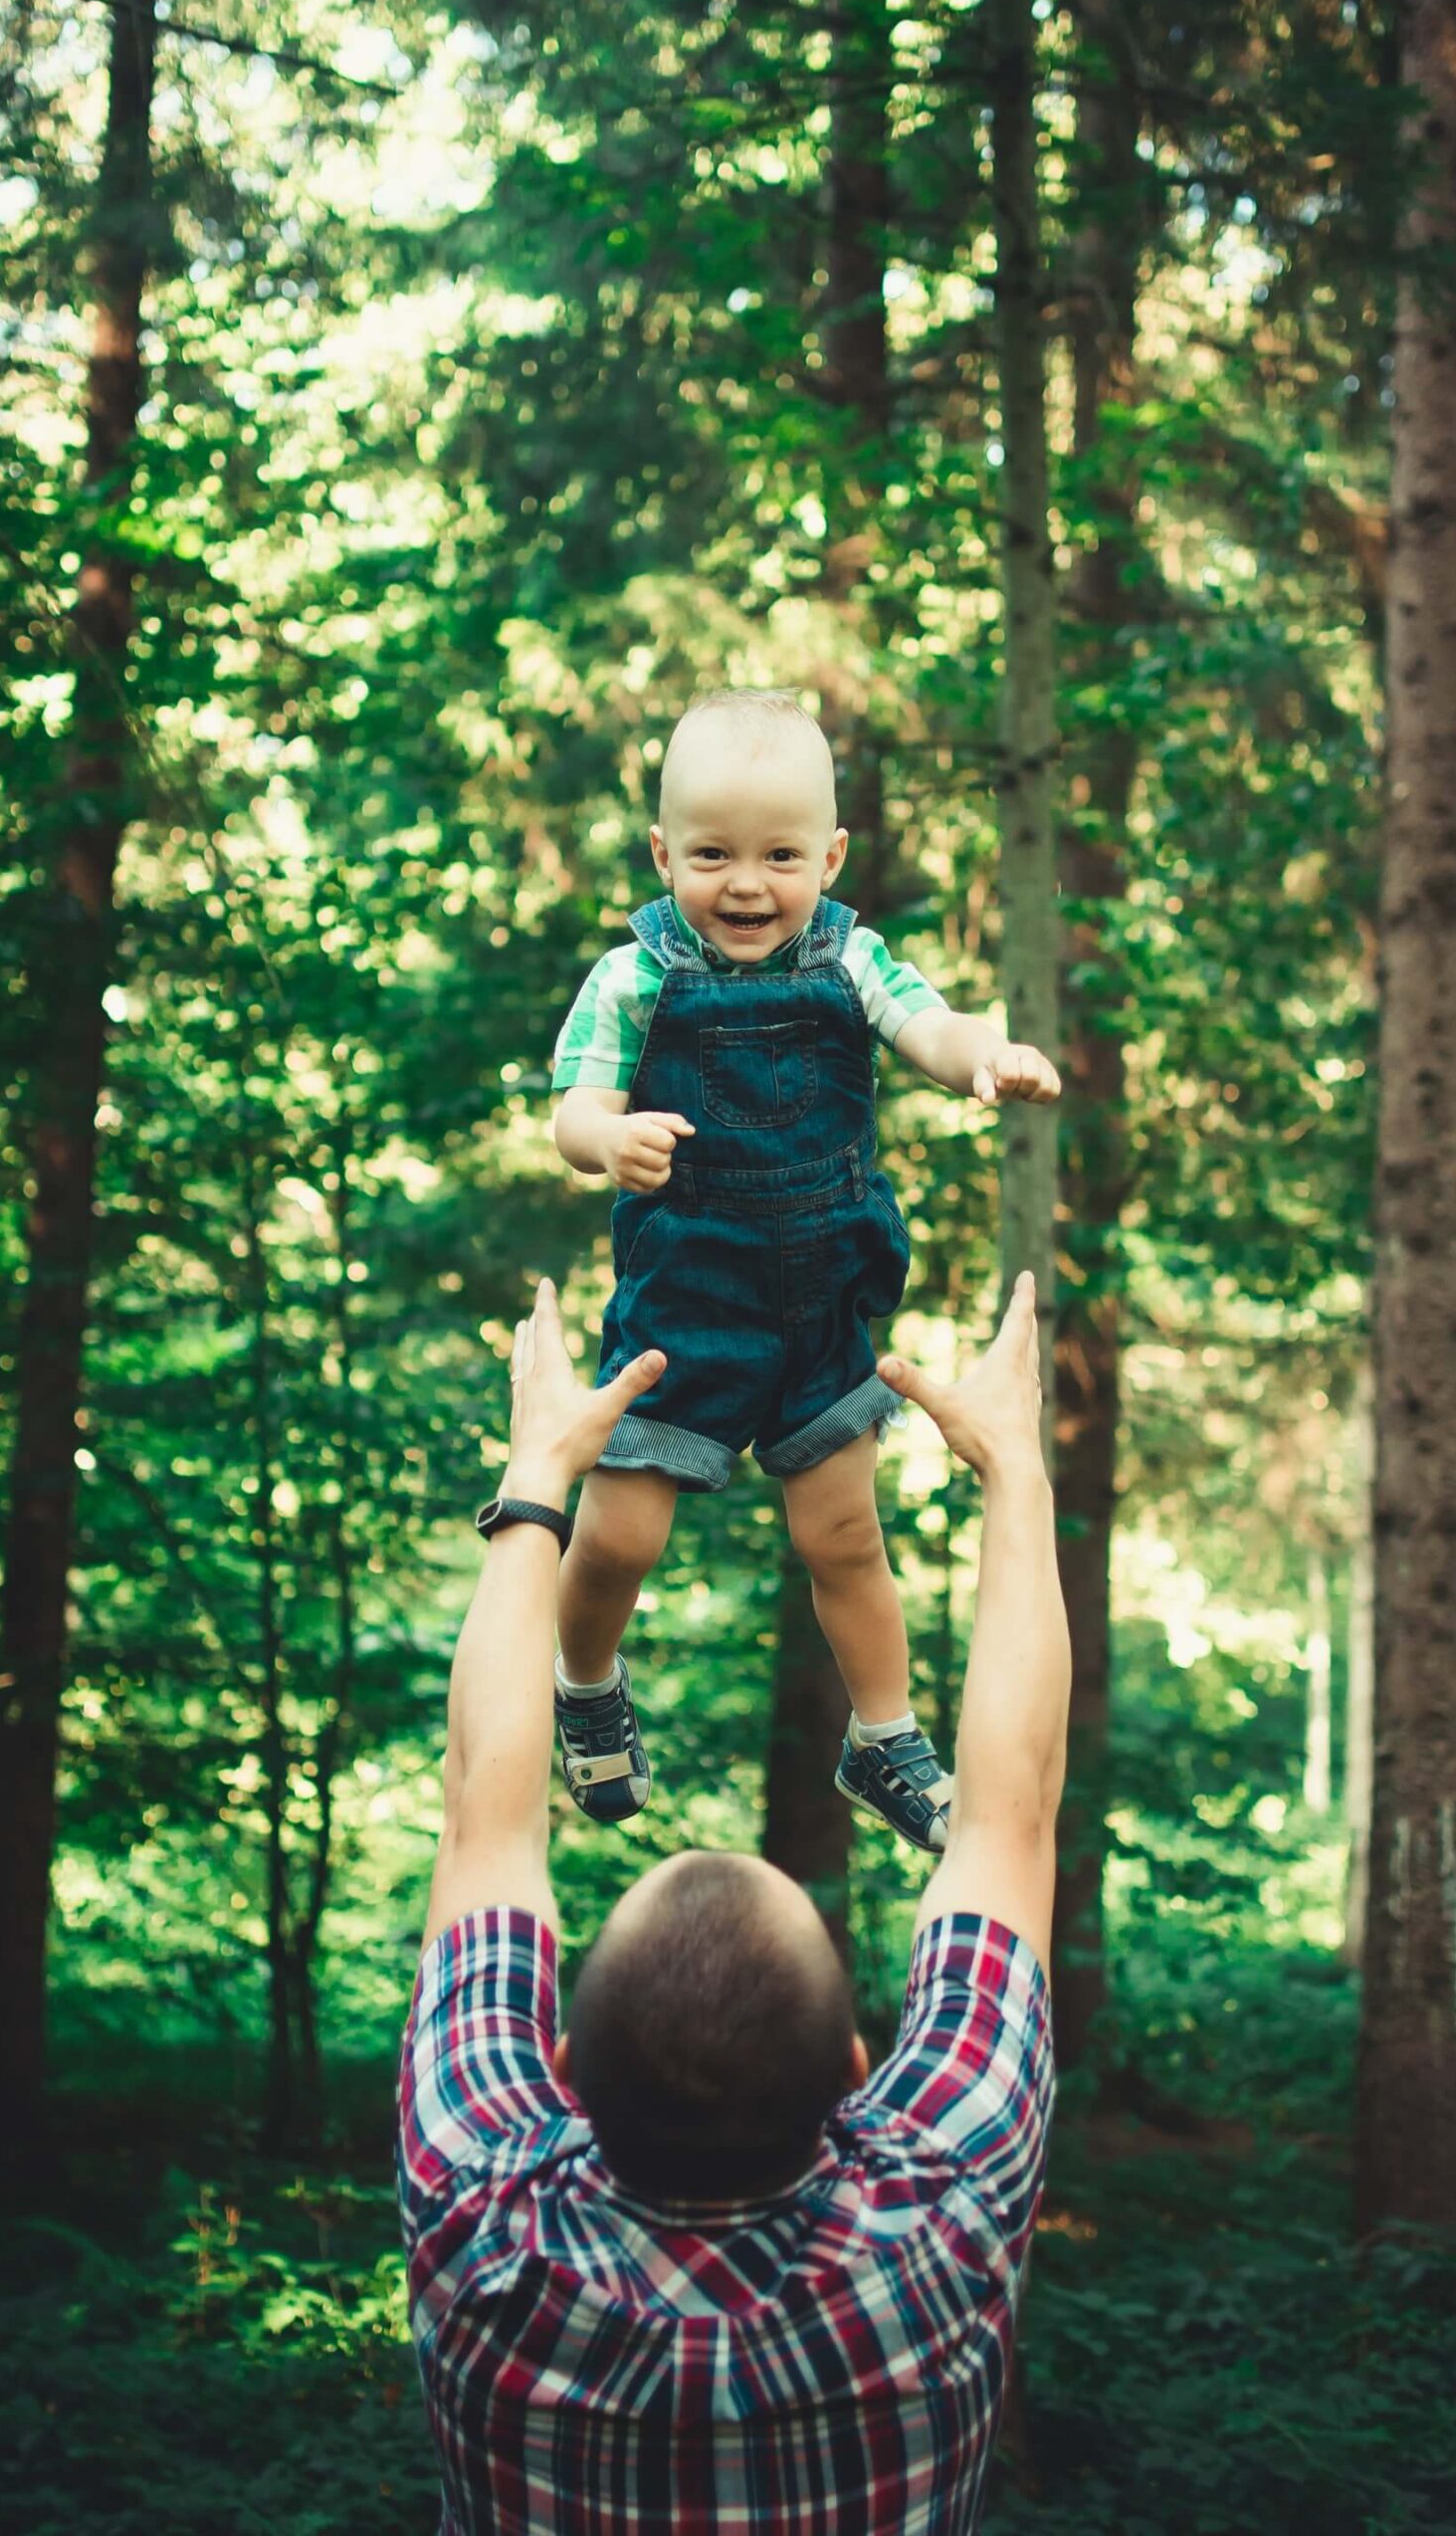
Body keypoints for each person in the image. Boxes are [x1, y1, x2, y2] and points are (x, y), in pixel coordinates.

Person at [400, 1269, 1069, 2536]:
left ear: (560, 2071)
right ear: (858, 2073)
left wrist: (541, 1476)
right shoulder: (939, 2227)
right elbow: (1012, 1812)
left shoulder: (483, 2232)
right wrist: (1015, 1474)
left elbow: (485, 1813)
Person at [547, 688, 1060, 1853]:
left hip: (823, 1304)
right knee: (621, 1535)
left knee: (845, 1541)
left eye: (780, 855)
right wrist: (605, 1141)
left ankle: (883, 1735)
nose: (746, 883)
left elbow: (934, 1031)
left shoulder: (855, 958)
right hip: (688, 1307)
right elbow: (574, 1107)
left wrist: (988, 1057)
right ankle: (584, 1683)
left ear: (828, 854)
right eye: (714, 854)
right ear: (662, 852)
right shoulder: (634, 978)